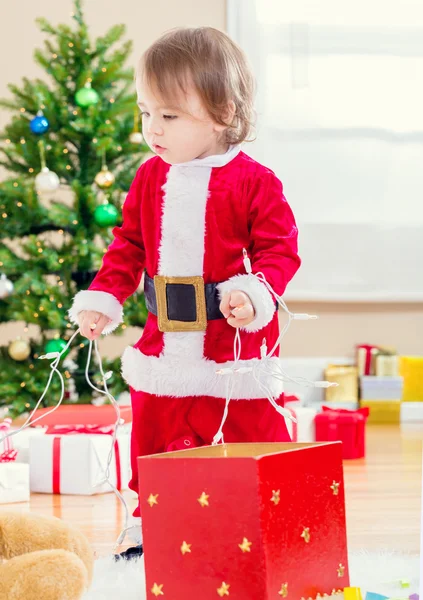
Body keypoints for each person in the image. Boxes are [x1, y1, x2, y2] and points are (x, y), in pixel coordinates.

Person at [69, 26, 301, 560]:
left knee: (245, 433)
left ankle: (255, 525)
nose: (153, 128)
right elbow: (127, 245)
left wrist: (254, 292)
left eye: (169, 116)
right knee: (156, 434)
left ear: (222, 112)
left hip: (232, 343)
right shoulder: (150, 177)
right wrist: (105, 296)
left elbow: (279, 251)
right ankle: (153, 524)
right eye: (145, 113)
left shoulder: (253, 181)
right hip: (165, 342)